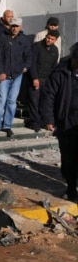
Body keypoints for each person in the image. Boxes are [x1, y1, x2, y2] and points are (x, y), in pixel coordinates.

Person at [40, 45, 78, 201]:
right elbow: (48, 96)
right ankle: (71, 188)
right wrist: (48, 118)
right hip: (66, 121)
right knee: (68, 157)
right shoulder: (60, 73)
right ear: (73, 59)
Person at [0, 16, 31, 137]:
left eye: (17, 26)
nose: (14, 28)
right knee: (1, 101)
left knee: (12, 102)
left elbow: (28, 56)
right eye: (12, 26)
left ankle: (7, 126)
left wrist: (25, 67)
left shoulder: (24, 40)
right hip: (4, 75)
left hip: (17, 75)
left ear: (20, 27)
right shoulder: (2, 38)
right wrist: (0, 71)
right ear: (9, 26)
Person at [26, 29, 59, 132]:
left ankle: (43, 121)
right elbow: (32, 64)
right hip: (36, 78)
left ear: (55, 40)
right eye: (48, 38)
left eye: (52, 39)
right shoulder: (36, 47)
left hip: (47, 80)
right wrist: (34, 78)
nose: (49, 40)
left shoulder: (55, 50)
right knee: (34, 101)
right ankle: (34, 122)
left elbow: (54, 66)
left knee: (44, 102)